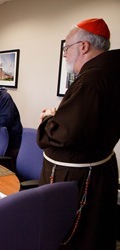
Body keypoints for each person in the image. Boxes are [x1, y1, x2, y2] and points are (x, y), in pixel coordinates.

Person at [37, 18, 120, 249]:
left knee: (73, 236)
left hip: (77, 178)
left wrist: (48, 119)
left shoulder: (91, 80)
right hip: (100, 169)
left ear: (83, 46)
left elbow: (64, 135)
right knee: (95, 231)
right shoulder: (112, 72)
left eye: (66, 48)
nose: (64, 55)